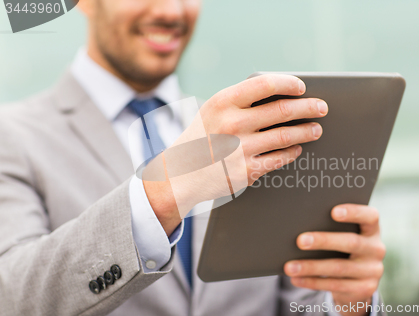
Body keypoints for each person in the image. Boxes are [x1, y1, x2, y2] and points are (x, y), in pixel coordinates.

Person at [0, 0, 386, 315]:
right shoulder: (13, 135)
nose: (171, 11)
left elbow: (298, 303)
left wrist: (346, 302)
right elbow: (12, 297)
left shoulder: (251, 132)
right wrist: (167, 189)